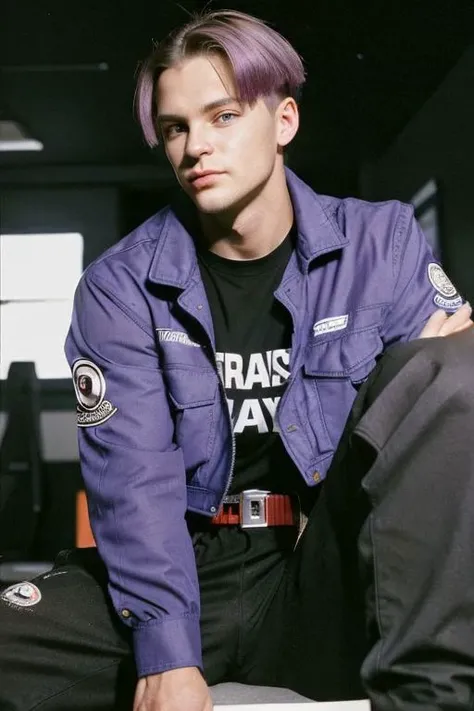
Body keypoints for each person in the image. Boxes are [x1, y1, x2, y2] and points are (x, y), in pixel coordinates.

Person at [0, 9, 473, 711]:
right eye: (175, 127)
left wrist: (438, 374)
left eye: (222, 116)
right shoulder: (119, 287)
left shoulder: (383, 242)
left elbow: (437, 418)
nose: (196, 146)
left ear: (284, 121)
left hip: (328, 565)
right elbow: (135, 479)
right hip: (188, 566)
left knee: (451, 372)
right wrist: (167, 650)